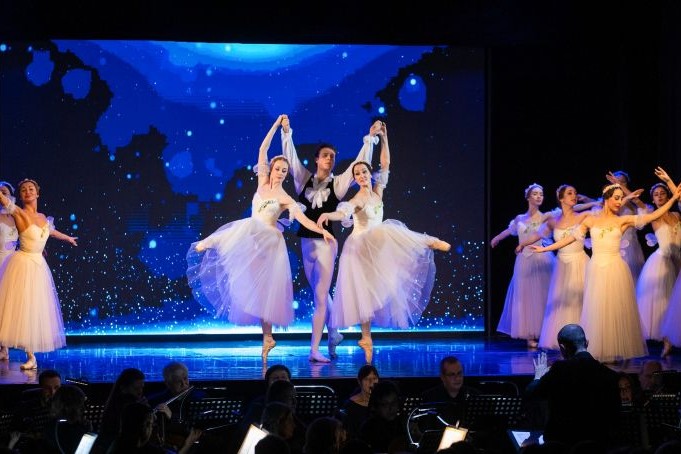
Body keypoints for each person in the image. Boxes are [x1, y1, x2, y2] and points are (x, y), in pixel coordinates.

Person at [187, 115, 335, 363]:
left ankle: (268, 337)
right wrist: (276, 126)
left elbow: (303, 219)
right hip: (251, 237)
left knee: (266, 290)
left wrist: (322, 231)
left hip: (268, 244)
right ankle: (267, 338)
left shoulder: (285, 197)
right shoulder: (262, 182)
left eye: (284, 171)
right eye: (278, 169)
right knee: (251, 281)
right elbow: (262, 149)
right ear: (271, 169)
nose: (281, 173)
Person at [318, 122, 450, 364]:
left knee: (376, 282)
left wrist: (385, 137)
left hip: (377, 245)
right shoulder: (358, 198)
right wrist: (329, 214)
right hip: (361, 246)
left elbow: (386, 163)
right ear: (355, 179)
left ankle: (427, 242)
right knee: (364, 291)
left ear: (369, 174)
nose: (361, 176)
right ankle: (366, 337)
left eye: (364, 172)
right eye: (357, 174)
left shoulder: (377, 191)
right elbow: (344, 211)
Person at [530, 182, 681, 362]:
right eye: (616, 198)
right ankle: (598, 350)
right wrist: (545, 249)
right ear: (607, 199)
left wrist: (673, 198)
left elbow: (652, 216)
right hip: (596, 268)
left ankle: (614, 349)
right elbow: (569, 239)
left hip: (616, 268)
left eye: (620, 198)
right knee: (598, 309)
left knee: (614, 309)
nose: (619, 202)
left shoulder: (621, 220)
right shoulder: (591, 220)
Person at [281, 115, 379, 363]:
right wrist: (287, 133)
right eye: (325, 155)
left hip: (326, 244)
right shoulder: (303, 178)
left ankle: (314, 349)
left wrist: (369, 140)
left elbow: (358, 165)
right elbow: (291, 158)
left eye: (333, 156)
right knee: (319, 293)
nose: (330, 159)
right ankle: (334, 333)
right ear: (316, 159)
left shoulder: (339, 184)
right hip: (306, 241)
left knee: (321, 296)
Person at [0, 178, 78, 370]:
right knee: (23, 309)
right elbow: (4, 200)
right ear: (20, 196)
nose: (27, 192)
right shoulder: (18, 212)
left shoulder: (43, 217)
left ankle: (31, 356)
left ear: (37, 193)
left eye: (31, 189)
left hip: (39, 266)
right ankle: (30, 356)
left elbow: (50, 231)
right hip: (23, 264)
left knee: (34, 310)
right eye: (23, 190)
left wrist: (67, 238)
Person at [514, 184, 591, 351]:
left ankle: (585, 338)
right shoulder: (554, 221)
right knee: (563, 302)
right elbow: (537, 234)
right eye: (569, 193)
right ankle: (567, 339)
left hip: (580, 261)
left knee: (581, 299)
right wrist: (522, 244)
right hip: (562, 265)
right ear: (561, 198)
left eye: (575, 193)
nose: (574, 195)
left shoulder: (583, 216)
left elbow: (600, 210)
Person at [524, 324, 620, 450]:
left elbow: (531, 394)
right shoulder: (610, 375)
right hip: (599, 446)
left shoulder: (560, 370)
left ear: (562, 348)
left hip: (562, 446)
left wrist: (538, 377)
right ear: (587, 343)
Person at [491, 183, 555, 348]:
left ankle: (543, 332)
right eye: (535, 194)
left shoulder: (545, 217)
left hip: (540, 258)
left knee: (541, 296)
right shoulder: (520, 218)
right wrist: (497, 238)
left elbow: (545, 232)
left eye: (541, 194)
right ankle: (529, 334)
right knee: (525, 297)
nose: (539, 196)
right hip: (523, 261)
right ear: (528, 197)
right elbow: (509, 230)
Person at [635, 169, 681, 348]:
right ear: (653, 200)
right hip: (662, 261)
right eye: (656, 194)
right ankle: (664, 337)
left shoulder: (677, 215)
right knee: (664, 299)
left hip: (678, 260)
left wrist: (669, 180)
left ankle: (673, 336)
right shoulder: (654, 217)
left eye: (662, 193)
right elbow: (638, 202)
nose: (660, 196)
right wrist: (622, 186)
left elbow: (679, 199)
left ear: (668, 195)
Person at [605, 170, 646, 281]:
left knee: (631, 276)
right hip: (615, 243)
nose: (619, 184)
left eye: (623, 182)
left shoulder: (632, 202)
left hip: (631, 244)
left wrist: (620, 185)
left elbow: (641, 205)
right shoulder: (608, 201)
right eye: (616, 181)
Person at [43, 384, 92, 454]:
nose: (84, 408)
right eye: (81, 404)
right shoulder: (79, 428)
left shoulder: (50, 425)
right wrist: (87, 429)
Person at [336, 364, 379, 440]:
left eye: (374, 378)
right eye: (366, 379)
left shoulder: (381, 401)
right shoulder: (350, 405)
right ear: (359, 381)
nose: (371, 382)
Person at [0, 181, 18, 362]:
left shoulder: (16, 217)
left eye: (3, 192)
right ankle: (3, 347)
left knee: (9, 305)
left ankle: (6, 345)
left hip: (12, 264)